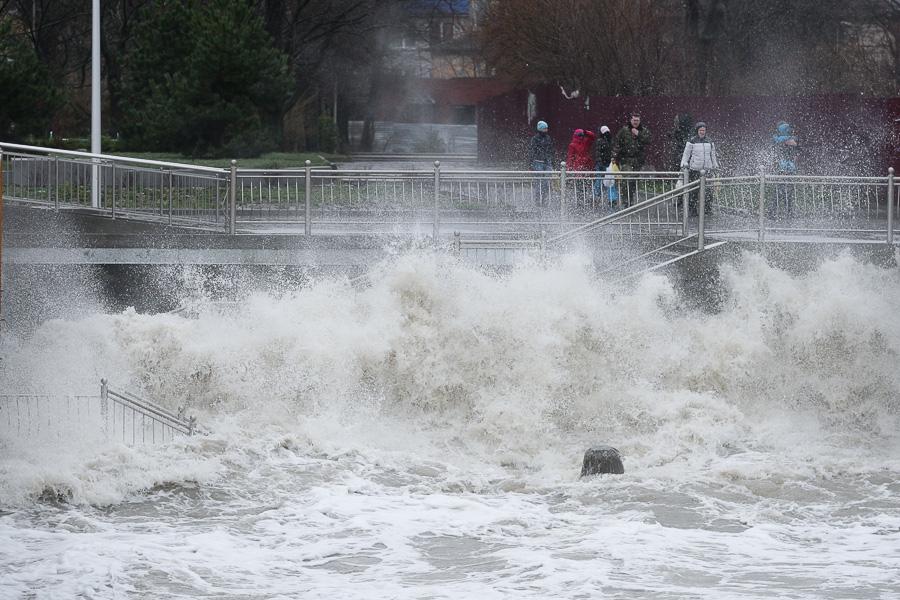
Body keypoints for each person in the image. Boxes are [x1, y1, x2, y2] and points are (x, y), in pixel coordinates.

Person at [680, 121, 720, 216]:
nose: (702, 132)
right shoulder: (692, 141)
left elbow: (712, 155)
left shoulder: (710, 141)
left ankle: (707, 210)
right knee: (693, 191)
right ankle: (693, 210)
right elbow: (686, 154)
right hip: (695, 169)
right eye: (700, 130)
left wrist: (715, 165)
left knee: (708, 191)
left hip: (707, 169)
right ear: (697, 131)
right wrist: (683, 164)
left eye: (704, 130)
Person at [612, 112, 652, 207]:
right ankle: (626, 201)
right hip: (626, 160)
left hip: (638, 161)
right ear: (631, 120)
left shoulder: (643, 130)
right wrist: (613, 156)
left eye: (637, 120)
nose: (635, 122)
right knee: (626, 180)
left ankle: (630, 200)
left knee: (633, 182)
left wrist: (639, 134)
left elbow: (649, 140)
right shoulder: (624, 130)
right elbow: (617, 143)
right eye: (634, 120)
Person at [772, 121, 799, 217]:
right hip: (784, 168)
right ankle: (782, 211)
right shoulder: (778, 139)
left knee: (784, 190)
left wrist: (790, 141)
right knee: (781, 190)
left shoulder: (778, 138)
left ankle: (781, 211)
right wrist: (789, 140)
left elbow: (794, 144)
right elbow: (792, 143)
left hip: (787, 168)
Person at [527, 120, 556, 206]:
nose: (546, 130)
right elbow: (532, 151)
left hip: (547, 162)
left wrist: (552, 161)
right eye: (545, 129)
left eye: (547, 128)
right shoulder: (535, 139)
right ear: (541, 129)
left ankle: (544, 199)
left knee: (546, 182)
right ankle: (537, 200)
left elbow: (551, 150)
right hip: (538, 162)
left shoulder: (548, 138)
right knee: (538, 182)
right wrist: (531, 163)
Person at [592, 125, 613, 200]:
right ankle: (596, 196)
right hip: (602, 163)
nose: (606, 133)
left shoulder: (610, 141)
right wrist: (600, 162)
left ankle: (608, 197)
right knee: (599, 180)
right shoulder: (600, 141)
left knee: (608, 180)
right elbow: (598, 152)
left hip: (608, 163)